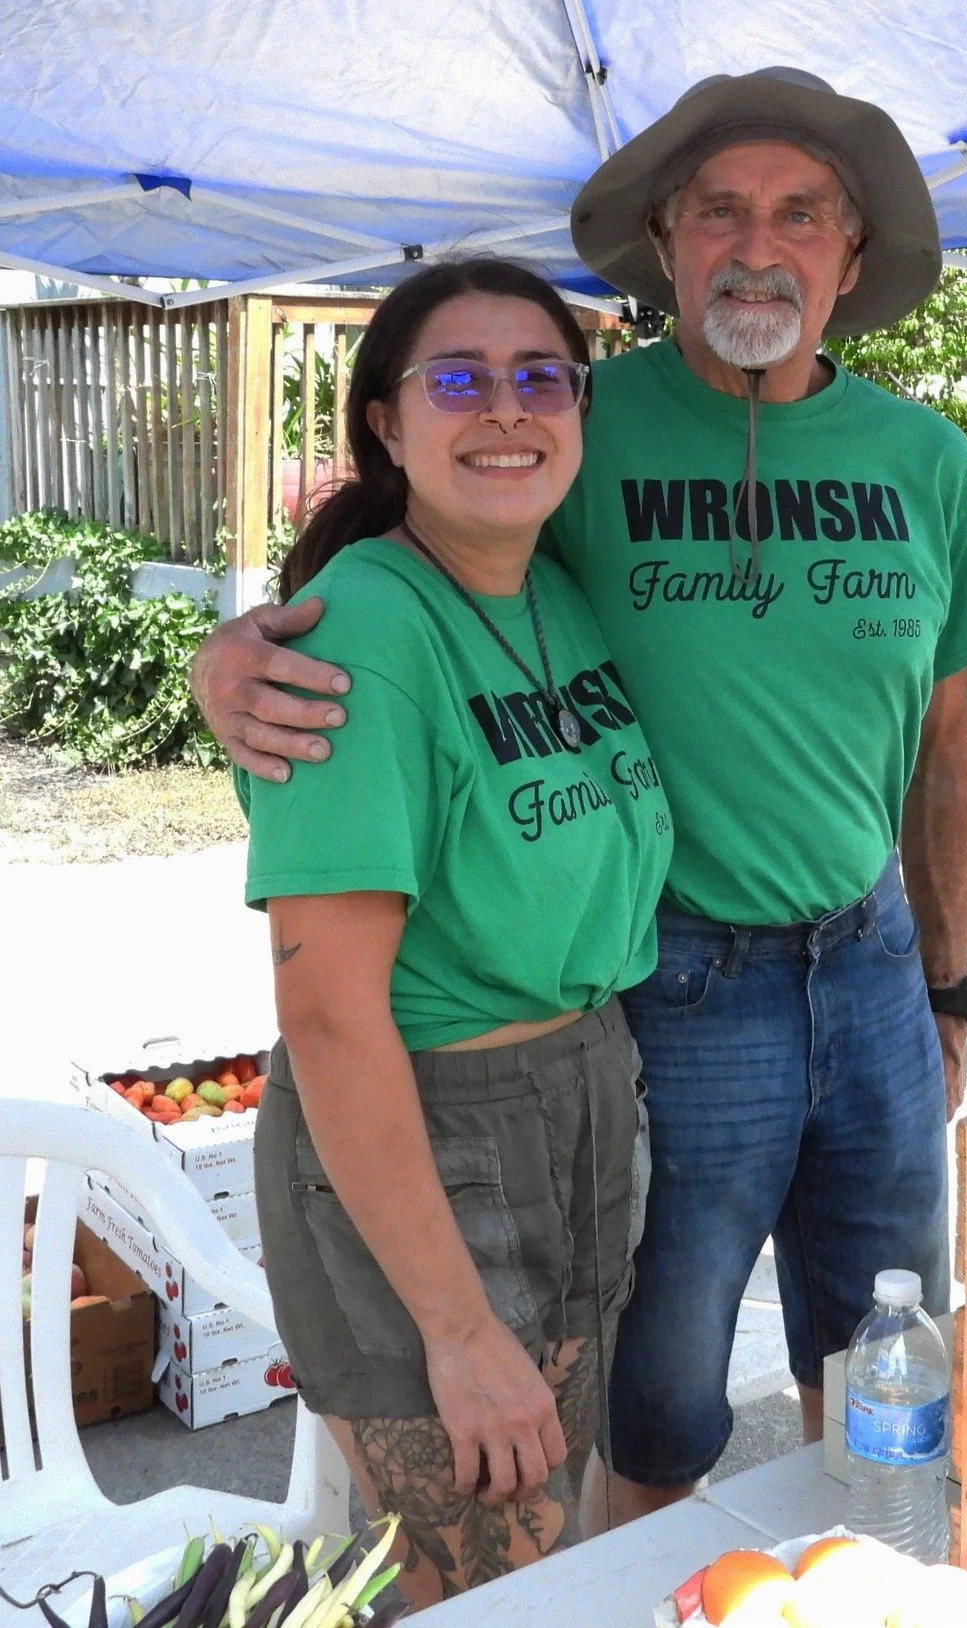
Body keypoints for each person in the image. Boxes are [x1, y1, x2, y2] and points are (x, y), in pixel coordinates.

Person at [192, 68, 967, 1529]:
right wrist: (230, 657)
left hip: (877, 962)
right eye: (721, 211)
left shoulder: (929, 466)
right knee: (659, 1399)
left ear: (850, 256)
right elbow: (417, 560)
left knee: (890, 1345)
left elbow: (947, 756)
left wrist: (949, 990)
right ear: (665, 242)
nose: (758, 246)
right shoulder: (577, 425)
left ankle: (866, 1577)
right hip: (680, 983)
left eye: (800, 215)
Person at [240, 259, 669, 1603]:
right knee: (483, 1585)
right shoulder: (365, 630)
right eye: (460, 380)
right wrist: (456, 1327)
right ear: (386, 421)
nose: (507, 409)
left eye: (542, 377)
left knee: (547, 1548)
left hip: (585, 1094)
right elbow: (328, 1012)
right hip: (431, 1133)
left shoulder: (555, 586)